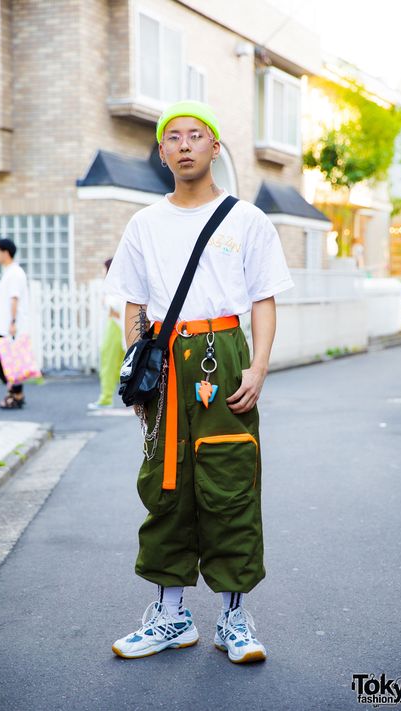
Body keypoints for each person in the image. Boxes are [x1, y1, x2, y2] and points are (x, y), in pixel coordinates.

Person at [104, 99, 295, 664]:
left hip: (223, 355)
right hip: (164, 360)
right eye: (173, 137)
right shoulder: (143, 223)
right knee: (165, 485)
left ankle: (234, 618)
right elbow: (134, 306)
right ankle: (170, 615)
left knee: (229, 479)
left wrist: (258, 367)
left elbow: (263, 300)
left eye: (195, 135)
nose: (184, 145)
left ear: (215, 147)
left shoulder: (246, 219)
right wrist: (140, 377)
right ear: (162, 153)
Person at [0, 238, 29, 409]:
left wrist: (12, 322)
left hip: (9, 326)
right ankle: (15, 393)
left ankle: (16, 393)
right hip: (3, 324)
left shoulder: (15, 273)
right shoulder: (10, 271)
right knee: (6, 360)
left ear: (6, 253)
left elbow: (14, 298)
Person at [88, 258, 126, 410]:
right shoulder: (121, 283)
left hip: (115, 326)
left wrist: (105, 300)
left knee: (108, 361)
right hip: (119, 325)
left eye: (104, 269)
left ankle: (106, 398)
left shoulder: (114, 285)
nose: (102, 273)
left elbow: (113, 305)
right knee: (123, 363)